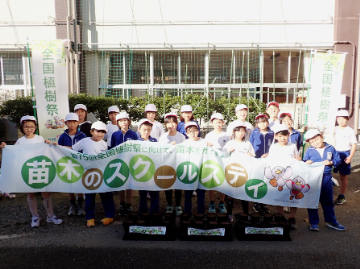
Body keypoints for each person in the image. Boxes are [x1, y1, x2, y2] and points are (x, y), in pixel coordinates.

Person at [0, 116, 63, 228]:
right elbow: (13, 153)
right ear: (22, 128)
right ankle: (35, 216)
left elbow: (46, 149)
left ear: (35, 128)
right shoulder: (20, 141)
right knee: (30, 193)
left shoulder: (39, 138)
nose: (29, 129)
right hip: (27, 170)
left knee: (46, 192)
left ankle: (51, 215)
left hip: (40, 169)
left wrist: (48, 143)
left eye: (32, 127)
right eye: (26, 127)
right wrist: (5, 147)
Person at [72, 121, 115, 227]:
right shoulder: (85, 141)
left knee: (106, 195)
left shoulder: (104, 144)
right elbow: (72, 150)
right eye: (97, 131)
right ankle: (90, 218)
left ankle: (110, 216)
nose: (100, 134)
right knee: (90, 197)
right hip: (89, 174)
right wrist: (56, 146)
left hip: (101, 173)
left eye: (102, 132)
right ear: (91, 131)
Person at [303, 129, 346, 231]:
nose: (315, 143)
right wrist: (306, 163)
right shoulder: (309, 151)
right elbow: (304, 163)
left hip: (326, 178)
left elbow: (338, 160)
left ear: (321, 136)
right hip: (313, 179)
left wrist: (331, 162)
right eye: (312, 142)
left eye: (316, 139)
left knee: (328, 201)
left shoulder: (330, 148)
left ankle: (331, 221)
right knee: (313, 201)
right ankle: (313, 222)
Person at [268, 124, 302, 229]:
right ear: (275, 136)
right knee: (279, 196)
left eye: (285, 135)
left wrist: (298, 159)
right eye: (280, 136)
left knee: (293, 196)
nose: (283, 138)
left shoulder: (292, 146)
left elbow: (297, 158)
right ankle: (281, 216)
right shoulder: (273, 147)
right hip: (279, 177)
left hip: (292, 175)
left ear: (288, 135)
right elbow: (270, 161)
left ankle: (292, 217)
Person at [223, 120, 255, 221]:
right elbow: (222, 156)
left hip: (244, 172)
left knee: (244, 193)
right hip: (232, 171)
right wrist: (228, 151)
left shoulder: (248, 144)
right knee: (230, 194)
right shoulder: (229, 143)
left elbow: (253, 157)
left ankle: (246, 214)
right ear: (234, 132)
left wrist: (251, 155)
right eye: (238, 131)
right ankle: (229, 214)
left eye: (242, 131)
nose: (240, 133)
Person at [55, 113, 87, 216]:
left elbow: (84, 149)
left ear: (78, 123)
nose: (72, 124)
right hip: (67, 163)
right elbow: (59, 149)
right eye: (70, 122)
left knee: (79, 184)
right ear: (66, 123)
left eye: (74, 122)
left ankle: (81, 205)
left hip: (79, 163)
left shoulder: (82, 135)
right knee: (70, 185)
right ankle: (72, 205)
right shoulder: (63, 136)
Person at [111, 112, 138, 215]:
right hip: (119, 163)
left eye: (125, 120)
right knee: (121, 184)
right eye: (121, 121)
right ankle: (122, 204)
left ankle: (129, 204)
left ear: (129, 121)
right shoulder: (115, 134)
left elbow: (137, 148)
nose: (124, 122)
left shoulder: (133, 134)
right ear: (118, 123)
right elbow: (111, 148)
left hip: (130, 162)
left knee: (129, 184)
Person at [159, 113, 185, 216]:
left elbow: (185, 150)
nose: (171, 125)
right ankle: (169, 205)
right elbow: (160, 150)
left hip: (178, 163)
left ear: (177, 124)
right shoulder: (163, 137)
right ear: (165, 125)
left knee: (178, 185)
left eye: (173, 122)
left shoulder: (181, 136)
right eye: (168, 123)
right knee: (168, 185)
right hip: (167, 164)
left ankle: (178, 205)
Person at [205, 113, 230, 213]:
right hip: (212, 162)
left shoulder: (227, 135)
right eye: (216, 122)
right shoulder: (209, 135)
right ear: (212, 123)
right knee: (212, 182)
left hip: (224, 162)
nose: (218, 124)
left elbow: (229, 148)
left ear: (223, 123)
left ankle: (221, 202)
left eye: (220, 122)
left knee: (222, 182)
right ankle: (211, 202)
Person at [249, 113, 274, 214]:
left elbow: (274, 146)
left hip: (268, 160)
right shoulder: (254, 133)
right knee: (257, 181)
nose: (262, 124)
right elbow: (250, 145)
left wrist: (269, 154)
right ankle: (256, 203)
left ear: (267, 122)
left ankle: (264, 203)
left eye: (264, 122)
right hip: (256, 160)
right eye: (260, 123)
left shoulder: (272, 133)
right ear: (256, 124)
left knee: (266, 181)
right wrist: (253, 156)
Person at [181, 122, 208, 214]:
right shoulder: (185, 143)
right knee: (188, 195)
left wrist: (210, 147)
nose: (193, 134)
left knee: (201, 196)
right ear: (186, 133)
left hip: (201, 173)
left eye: (195, 131)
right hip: (189, 172)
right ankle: (187, 215)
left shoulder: (204, 142)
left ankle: (200, 215)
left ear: (198, 131)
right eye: (190, 132)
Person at [333, 110, 357, 205]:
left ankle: (341, 196)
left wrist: (350, 156)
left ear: (348, 119)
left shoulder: (350, 130)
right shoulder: (333, 129)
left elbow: (354, 144)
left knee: (343, 176)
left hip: (345, 154)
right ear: (336, 119)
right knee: (327, 174)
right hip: (333, 154)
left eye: (343, 119)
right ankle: (324, 194)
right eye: (339, 118)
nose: (341, 121)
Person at [137, 119, 160, 214]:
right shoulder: (136, 142)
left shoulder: (154, 141)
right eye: (144, 130)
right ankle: (143, 212)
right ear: (139, 129)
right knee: (142, 194)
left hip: (153, 171)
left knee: (154, 192)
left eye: (149, 130)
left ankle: (154, 212)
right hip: (141, 172)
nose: (146, 132)